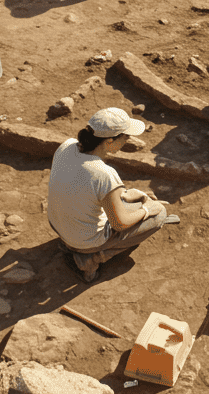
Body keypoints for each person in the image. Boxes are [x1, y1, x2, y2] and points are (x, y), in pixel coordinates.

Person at [47, 107, 178, 282]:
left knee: (126, 204)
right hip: (83, 242)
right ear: (110, 141)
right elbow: (120, 223)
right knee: (160, 213)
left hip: (57, 225)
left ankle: (68, 244)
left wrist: (122, 193)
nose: (128, 140)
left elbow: (79, 184)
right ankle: (91, 258)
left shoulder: (67, 145)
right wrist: (147, 210)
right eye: (125, 137)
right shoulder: (104, 174)